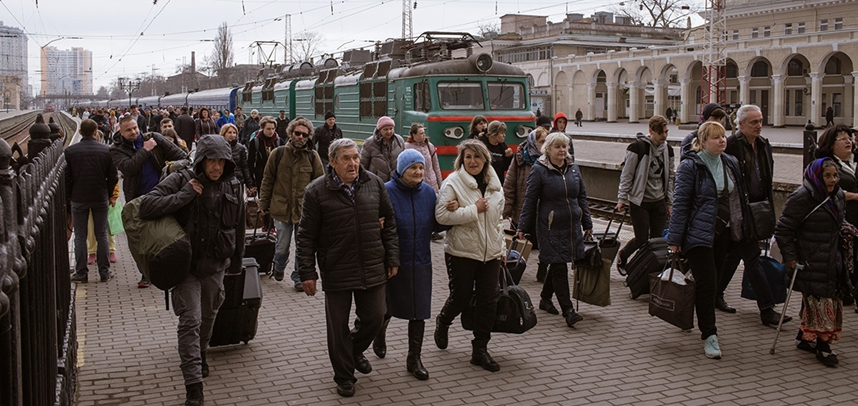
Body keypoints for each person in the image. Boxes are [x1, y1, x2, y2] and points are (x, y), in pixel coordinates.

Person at [138, 134, 245, 405]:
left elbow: (239, 225)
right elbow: (146, 206)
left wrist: (237, 262)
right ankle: (193, 387)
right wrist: (186, 195)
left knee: (208, 316)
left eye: (221, 161)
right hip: (185, 265)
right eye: (211, 161)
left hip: (216, 262)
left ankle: (200, 353)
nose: (216, 167)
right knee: (191, 320)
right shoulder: (181, 178)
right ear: (201, 160)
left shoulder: (232, 185)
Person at [296, 138, 399, 397]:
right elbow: (306, 236)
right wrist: (307, 272)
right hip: (337, 267)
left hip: (372, 263)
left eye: (355, 157)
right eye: (346, 158)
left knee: (376, 316)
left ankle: (352, 352)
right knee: (337, 326)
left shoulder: (374, 184)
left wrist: (393, 258)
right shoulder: (316, 191)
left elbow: (391, 224)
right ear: (332, 161)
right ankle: (344, 376)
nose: (353, 163)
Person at [667, 121, 747, 360]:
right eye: (715, 138)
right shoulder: (691, 166)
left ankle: (692, 314)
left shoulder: (729, 162)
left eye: (723, 136)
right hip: (698, 235)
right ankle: (709, 336)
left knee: (712, 283)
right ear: (702, 142)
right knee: (709, 283)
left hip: (724, 233)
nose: (722, 141)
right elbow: (681, 204)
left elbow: (738, 199)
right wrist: (675, 239)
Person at [433, 140, 505, 372]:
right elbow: (441, 217)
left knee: (488, 300)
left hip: (490, 253)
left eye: (477, 157)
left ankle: (480, 349)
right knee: (461, 296)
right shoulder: (452, 182)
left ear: (486, 159)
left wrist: (501, 248)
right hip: (461, 253)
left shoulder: (495, 184)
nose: (472, 161)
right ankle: (443, 321)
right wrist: (474, 209)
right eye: (467, 157)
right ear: (461, 160)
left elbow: (498, 222)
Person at [719, 104, 789, 324]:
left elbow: (767, 178)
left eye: (760, 121)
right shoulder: (730, 145)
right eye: (754, 122)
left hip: (758, 210)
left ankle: (714, 294)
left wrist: (768, 211)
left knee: (733, 255)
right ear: (740, 125)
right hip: (737, 213)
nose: (759, 126)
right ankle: (767, 309)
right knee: (752, 257)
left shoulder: (763, 145)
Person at [776, 157, 849, 367]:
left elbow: (839, 221)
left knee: (827, 298)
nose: (833, 180)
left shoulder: (838, 196)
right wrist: (790, 257)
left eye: (835, 175)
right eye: (827, 176)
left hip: (833, 258)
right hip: (811, 259)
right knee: (821, 300)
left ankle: (805, 337)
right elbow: (783, 229)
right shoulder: (802, 197)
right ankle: (823, 346)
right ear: (817, 176)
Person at [517, 132, 591, 327]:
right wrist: (522, 227)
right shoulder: (539, 170)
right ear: (547, 150)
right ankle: (568, 310)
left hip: (572, 225)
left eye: (565, 146)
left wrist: (588, 223)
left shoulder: (574, 168)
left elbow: (582, 196)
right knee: (559, 266)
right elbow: (530, 200)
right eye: (558, 147)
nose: (562, 151)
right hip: (550, 226)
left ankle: (545, 298)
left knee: (558, 262)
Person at [378, 149, 437, 381]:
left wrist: (453, 213)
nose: (419, 172)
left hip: (421, 260)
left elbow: (438, 225)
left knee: (419, 311)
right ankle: (379, 333)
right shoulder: (385, 191)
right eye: (413, 167)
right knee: (386, 306)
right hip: (393, 260)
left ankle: (414, 358)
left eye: (421, 167)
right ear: (402, 170)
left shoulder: (429, 193)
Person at [111, 115, 188, 288]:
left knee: (172, 233)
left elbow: (181, 155)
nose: (133, 132)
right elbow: (128, 168)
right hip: (139, 199)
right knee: (144, 239)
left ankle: (176, 270)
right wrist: (145, 150)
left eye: (135, 128)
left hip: (164, 193)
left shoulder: (154, 138)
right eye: (128, 130)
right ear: (121, 132)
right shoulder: (116, 149)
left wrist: (172, 169)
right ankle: (146, 273)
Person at [259, 117, 324, 290]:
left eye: (304, 134)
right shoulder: (278, 154)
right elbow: (268, 180)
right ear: (290, 133)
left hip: (304, 210)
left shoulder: (312, 156)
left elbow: (320, 184)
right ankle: (279, 266)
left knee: (302, 247)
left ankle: (298, 277)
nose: (300, 137)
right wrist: (263, 205)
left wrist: (322, 209)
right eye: (297, 133)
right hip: (281, 208)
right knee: (282, 246)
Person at [616, 115, 675, 273]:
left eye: (666, 132)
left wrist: (669, 202)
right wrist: (622, 199)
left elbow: (670, 178)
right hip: (640, 201)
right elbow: (627, 175)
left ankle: (647, 272)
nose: (664, 136)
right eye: (661, 132)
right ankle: (624, 254)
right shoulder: (637, 148)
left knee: (656, 241)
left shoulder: (668, 150)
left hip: (659, 201)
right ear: (651, 131)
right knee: (642, 239)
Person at [67, 119, 119, 284]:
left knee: (80, 236)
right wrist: (109, 193)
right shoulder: (106, 151)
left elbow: (67, 179)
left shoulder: (70, 151)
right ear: (96, 132)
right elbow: (113, 176)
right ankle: (104, 272)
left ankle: (81, 272)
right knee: (101, 234)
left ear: (81, 132)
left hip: (78, 198)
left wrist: (69, 196)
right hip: (100, 197)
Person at [504, 126, 549, 281]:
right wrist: (507, 208)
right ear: (533, 141)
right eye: (541, 141)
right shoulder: (520, 158)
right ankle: (513, 268)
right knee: (518, 241)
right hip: (523, 209)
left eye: (546, 141)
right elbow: (509, 184)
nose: (544, 145)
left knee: (545, 242)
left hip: (543, 210)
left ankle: (542, 271)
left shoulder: (549, 159)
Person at [248, 116, 286, 229]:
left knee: (276, 200)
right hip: (261, 176)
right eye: (268, 129)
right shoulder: (255, 142)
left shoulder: (279, 141)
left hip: (277, 176)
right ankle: (266, 224)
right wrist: (252, 183)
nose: (271, 131)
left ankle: (274, 225)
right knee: (264, 200)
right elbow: (250, 162)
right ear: (262, 128)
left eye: (273, 128)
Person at [361, 116, 405, 182]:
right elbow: (362, 164)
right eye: (385, 129)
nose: (389, 131)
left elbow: (404, 161)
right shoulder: (369, 143)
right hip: (376, 182)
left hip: (396, 181)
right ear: (379, 130)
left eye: (391, 128)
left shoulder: (399, 140)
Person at [404, 124, 442, 192]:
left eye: (424, 133)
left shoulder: (429, 146)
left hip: (432, 185)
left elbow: (436, 167)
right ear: (414, 135)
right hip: (417, 186)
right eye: (421, 133)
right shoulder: (406, 147)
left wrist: (440, 186)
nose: (424, 135)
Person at [220, 123, 253, 193]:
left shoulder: (240, 148)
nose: (232, 135)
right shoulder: (219, 147)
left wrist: (250, 185)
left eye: (234, 133)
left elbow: (244, 166)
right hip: (223, 180)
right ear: (224, 133)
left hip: (238, 180)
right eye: (229, 132)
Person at [480, 120, 513, 185]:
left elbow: (506, 168)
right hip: (483, 183)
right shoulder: (481, 145)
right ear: (493, 134)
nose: (504, 135)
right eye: (501, 133)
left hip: (498, 184)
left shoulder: (503, 147)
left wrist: (509, 157)